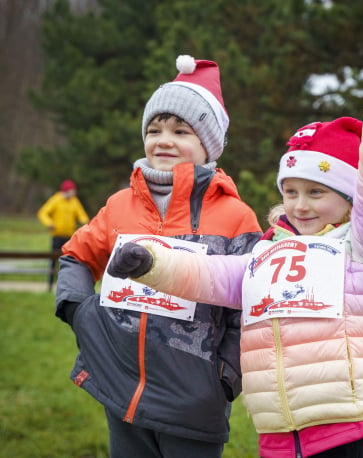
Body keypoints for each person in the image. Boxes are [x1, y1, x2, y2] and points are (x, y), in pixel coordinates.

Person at [107, 48, 363, 458]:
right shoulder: (266, 252)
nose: (300, 205)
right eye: (290, 192)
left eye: (316, 192)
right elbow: (210, 275)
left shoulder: (362, 248)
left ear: (348, 199)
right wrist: (151, 264)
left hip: (343, 428)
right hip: (275, 433)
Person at [55, 55, 262, 458]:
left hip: (194, 402)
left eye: (181, 130)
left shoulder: (237, 216)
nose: (163, 140)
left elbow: (252, 305)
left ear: (208, 144)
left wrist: (227, 375)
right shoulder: (118, 205)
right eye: (154, 129)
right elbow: (75, 257)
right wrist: (78, 311)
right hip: (118, 390)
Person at [37, 179, 89, 290]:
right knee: (53, 261)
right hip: (57, 236)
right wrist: (49, 223)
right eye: (72, 190)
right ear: (66, 191)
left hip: (69, 237)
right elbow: (43, 213)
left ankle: (65, 287)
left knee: (68, 262)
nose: (74, 193)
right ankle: (49, 286)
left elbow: (82, 215)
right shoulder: (56, 199)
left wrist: (84, 223)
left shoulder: (74, 201)